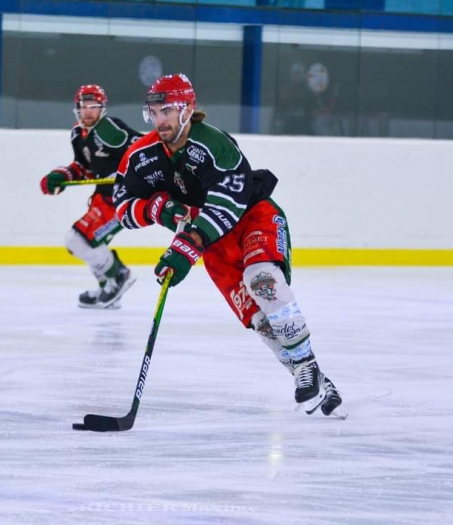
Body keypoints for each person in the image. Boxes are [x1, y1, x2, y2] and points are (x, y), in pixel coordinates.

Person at [112, 73, 345, 417]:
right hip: (214, 248)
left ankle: (306, 364)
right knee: (259, 320)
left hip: (252, 219)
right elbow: (121, 207)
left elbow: (228, 206)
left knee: (261, 280)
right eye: (155, 112)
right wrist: (156, 209)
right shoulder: (141, 155)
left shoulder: (215, 144)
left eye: (168, 111)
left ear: (187, 109)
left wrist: (187, 246)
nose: (160, 120)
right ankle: (316, 381)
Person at [40, 84, 142, 309]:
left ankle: (120, 276)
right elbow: (84, 167)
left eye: (93, 106)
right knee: (88, 244)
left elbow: (143, 151)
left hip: (121, 201)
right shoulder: (78, 134)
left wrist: (131, 176)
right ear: (77, 108)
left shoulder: (109, 129)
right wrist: (61, 175)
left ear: (102, 108)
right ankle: (108, 286)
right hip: (102, 199)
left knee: (78, 240)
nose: (88, 111)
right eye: (84, 106)